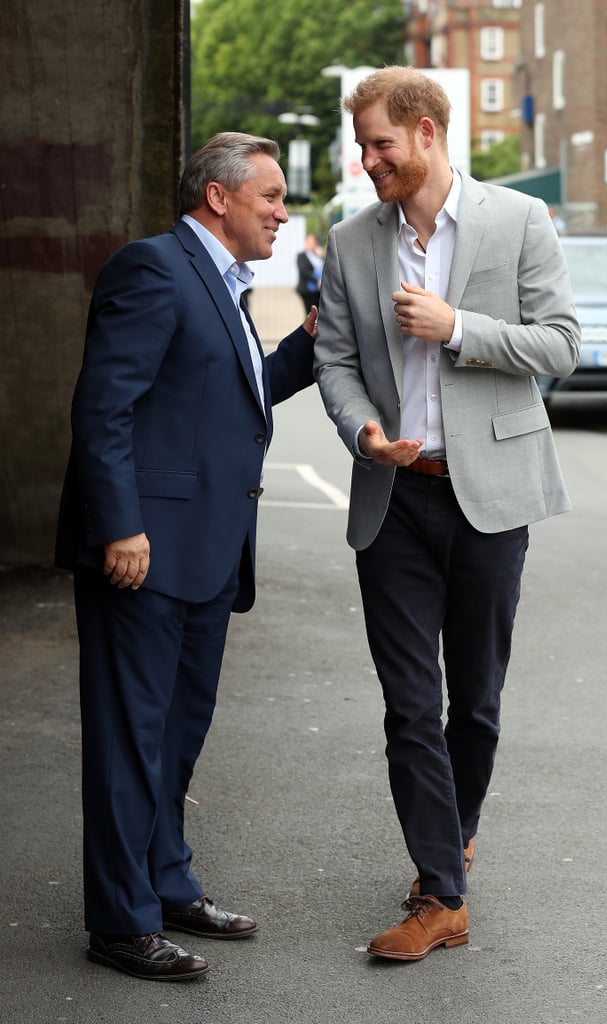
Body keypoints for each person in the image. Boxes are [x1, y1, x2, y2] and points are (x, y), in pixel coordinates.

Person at [313, 67, 580, 962]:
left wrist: (457, 325)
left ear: (426, 135)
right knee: (407, 704)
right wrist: (363, 431)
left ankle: (450, 842)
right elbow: (336, 361)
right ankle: (440, 893)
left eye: (380, 144)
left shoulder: (517, 221)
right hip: (394, 497)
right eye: (362, 145)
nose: (368, 160)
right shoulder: (352, 242)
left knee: (478, 701)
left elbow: (560, 345)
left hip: (491, 497)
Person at [55, 132, 317, 982]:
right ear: (219, 197)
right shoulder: (153, 267)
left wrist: (312, 342)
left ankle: (167, 882)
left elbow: (233, 397)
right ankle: (121, 921)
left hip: (208, 553)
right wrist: (119, 525)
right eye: (271, 196)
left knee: (175, 737)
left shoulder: (227, 286)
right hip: (145, 553)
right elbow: (105, 408)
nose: (284, 211)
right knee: (130, 740)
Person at [296, 231, 324, 313]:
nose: (311, 244)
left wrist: (322, 256)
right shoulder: (301, 256)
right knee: (310, 313)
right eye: (309, 241)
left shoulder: (318, 255)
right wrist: (317, 280)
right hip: (308, 290)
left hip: (319, 290)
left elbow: (326, 267)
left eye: (313, 241)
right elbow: (304, 271)